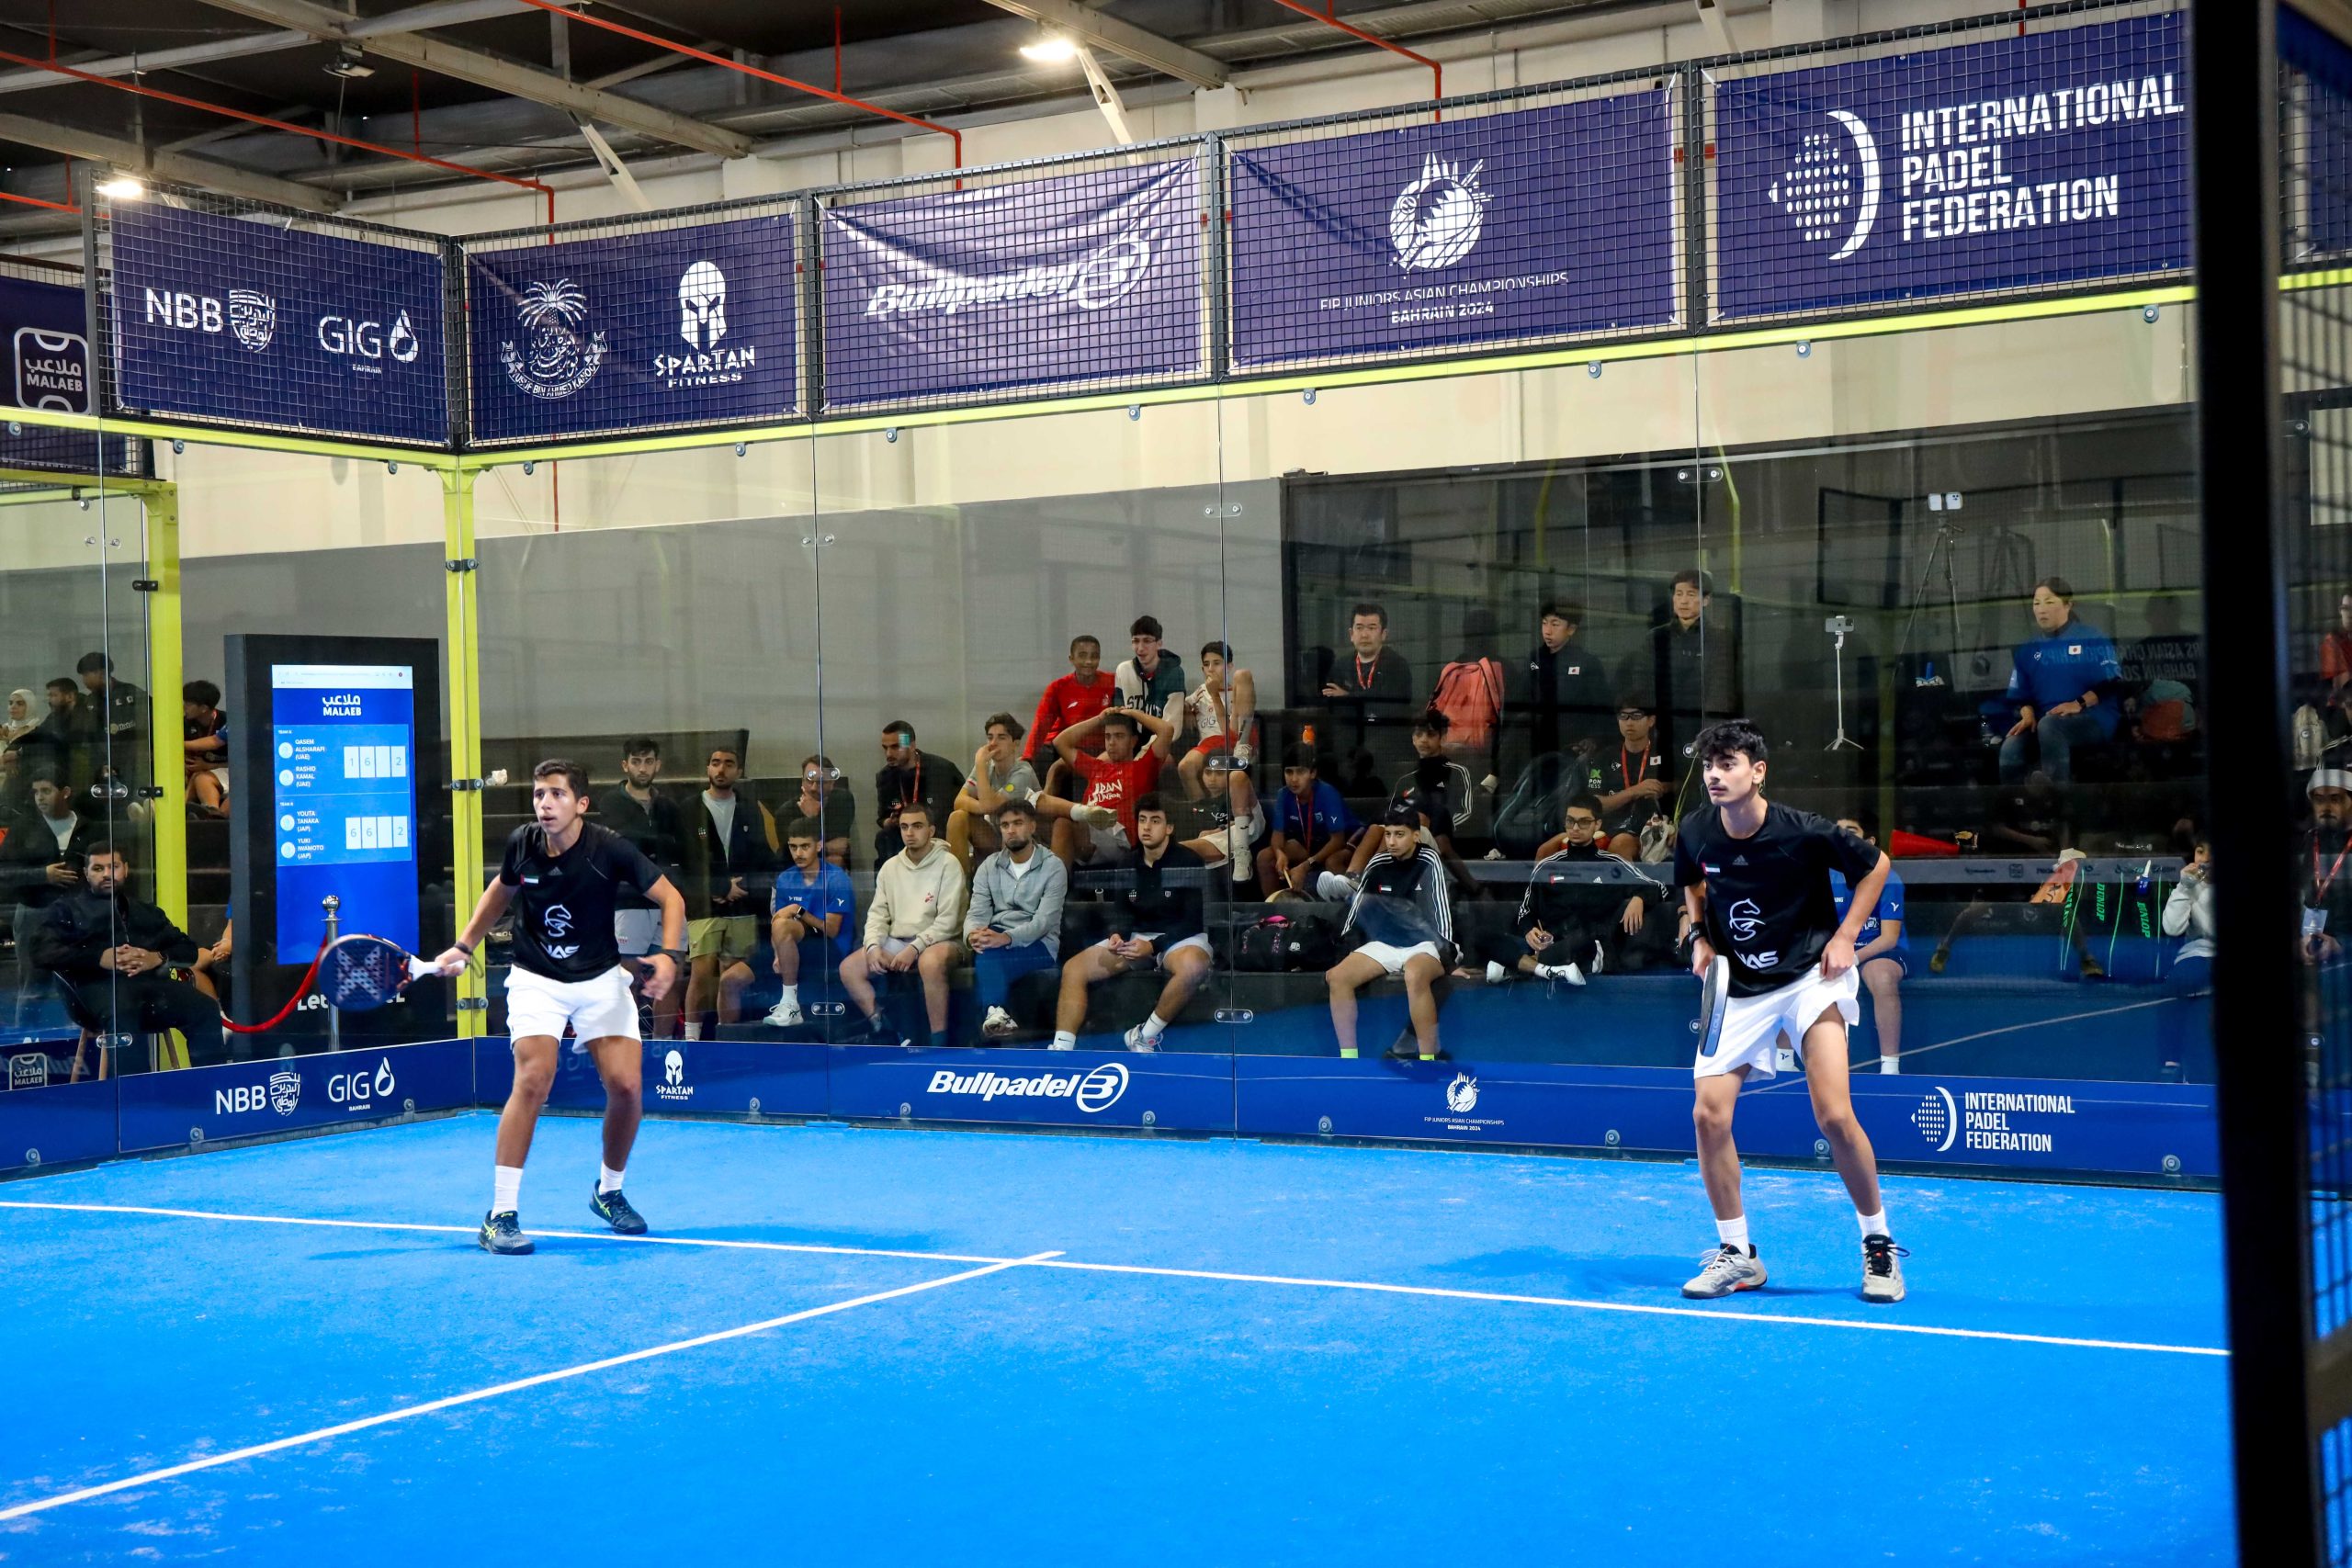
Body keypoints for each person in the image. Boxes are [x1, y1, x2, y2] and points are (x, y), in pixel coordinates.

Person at [1673, 719, 1905, 1305]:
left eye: (1728, 764)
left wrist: (1846, 935)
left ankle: (1877, 1243)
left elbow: (1876, 866)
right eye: (1709, 766)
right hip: (1738, 984)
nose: (1715, 776)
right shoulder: (1696, 829)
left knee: (1834, 1114)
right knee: (1708, 1116)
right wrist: (1699, 937)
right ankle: (1738, 1254)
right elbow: (1692, 884)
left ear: (1758, 771)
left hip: (1810, 978)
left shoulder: (1801, 830)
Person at [432, 759, 686, 1257]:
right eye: (538, 795)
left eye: (557, 794)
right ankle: (500, 1215)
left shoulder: (609, 848)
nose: (545, 804)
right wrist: (463, 947)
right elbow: (501, 891)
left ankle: (608, 1192)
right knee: (534, 1078)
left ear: (581, 803)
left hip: (600, 978)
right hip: (537, 978)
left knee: (627, 1086)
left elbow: (671, 899)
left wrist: (670, 956)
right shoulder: (523, 843)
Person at [33, 840, 222, 1072]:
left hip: (150, 992)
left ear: (126, 869)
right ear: (86, 873)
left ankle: (210, 1086)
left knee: (204, 1008)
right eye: (98, 868)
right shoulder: (67, 910)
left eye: (113, 867)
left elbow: (188, 950)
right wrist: (98, 958)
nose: (106, 874)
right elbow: (41, 953)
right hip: (93, 992)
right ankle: (133, 1092)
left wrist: (157, 957)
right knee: (123, 1010)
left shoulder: (146, 912)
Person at [1052, 794, 1211, 1053]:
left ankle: (1143, 1036)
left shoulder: (1188, 861)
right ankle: (1062, 1049)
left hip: (1180, 939)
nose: (1146, 827)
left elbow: (1192, 921)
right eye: (1142, 820)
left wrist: (1154, 946)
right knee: (1074, 968)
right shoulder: (1128, 862)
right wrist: (1116, 935)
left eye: (1155, 821)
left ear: (1169, 827)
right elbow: (1120, 913)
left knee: (1194, 967)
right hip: (1136, 939)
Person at [1464, 794, 1668, 987]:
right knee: (1481, 935)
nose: (1575, 828)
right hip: (1548, 942)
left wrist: (1639, 898)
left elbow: (1659, 886)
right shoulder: (1547, 866)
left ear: (1597, 824)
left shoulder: (1611, 865)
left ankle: (1520, 967)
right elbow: (1525, 911)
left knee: (1578, 940)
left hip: (1588, 945)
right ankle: (1541, 968)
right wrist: (1529, 931)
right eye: (1570, 821)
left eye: (1584, 822)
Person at [1326, 804, 1456, 1061]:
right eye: (1388, 834)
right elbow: (1358, 909)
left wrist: (1449, 958)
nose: (1392, 841)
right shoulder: (1378, 862)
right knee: (1337, 977)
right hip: (1385, 943)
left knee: (1414, 975)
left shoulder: (1430, 860)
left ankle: (1426, 1060)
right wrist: (1348, 947)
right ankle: (1348, 1060)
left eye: (1399, 834)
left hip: (1424, 944)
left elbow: (1441, 912)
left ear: (1416, 836)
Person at [838, 799, 967, 1049]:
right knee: (849, 968)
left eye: (917, 826)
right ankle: (885, 1027)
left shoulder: (948, 864)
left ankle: (939, 1041)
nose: (910, 833)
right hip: (899, 941)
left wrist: (915, 948)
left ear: (931, 830)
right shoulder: (890, 867)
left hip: (943, 941)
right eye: (904, 827)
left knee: (930, 962)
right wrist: (873, 946)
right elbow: (877, 914)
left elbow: (949, 922)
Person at [683, 745, 775, 1038]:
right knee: (700, 974)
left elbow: (760, 855)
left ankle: (727, 1038)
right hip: (704, 905)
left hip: (741, 904)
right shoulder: (690, 808)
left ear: (739, 771)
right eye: (715, 763)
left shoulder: (749, 808)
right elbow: (687, 859)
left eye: (728, 763)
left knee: (730, 976)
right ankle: (691, 1039)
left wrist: (738, 888)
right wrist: (719, 887)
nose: (721, 769)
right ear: (707, 768)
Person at [2000, 576, 2123, 784]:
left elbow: (2113, 682)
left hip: (2091, 717)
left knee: (2050, 726)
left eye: (2049, 602)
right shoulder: (2028, 649)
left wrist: (2078, 703)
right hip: (2043, 720)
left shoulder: (2091, 638)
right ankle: (2016, 803)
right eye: (2036, 603)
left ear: (2068, 605)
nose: (2041, 609)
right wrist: (2027, 714)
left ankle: (2056, 796)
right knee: (2010, 746)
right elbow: (2021, 695)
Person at [603, 738, 687, 1038]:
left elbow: (681, 848)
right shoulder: (610, 802)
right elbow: (622, 844)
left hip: (666, 901)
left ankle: (663, 1045)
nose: (642, 768)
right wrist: (657, 843)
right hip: (628, 899)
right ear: (625, 765)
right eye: (636, 762)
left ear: (657, 765)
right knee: (627, 976)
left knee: (672, 974)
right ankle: (629, 1042)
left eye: (648, 761)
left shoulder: (669, 806)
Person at [965, 797, 1069, 1040]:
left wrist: (1006, 938)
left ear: (1032, 826)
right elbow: (977, 911)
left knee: (988, 956)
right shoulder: (989, 866)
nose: (1011, 830)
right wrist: (973, 935)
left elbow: (1043, 922)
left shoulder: (1053, 867)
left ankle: (993, 1015)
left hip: (1039, 944)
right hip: (997, 938)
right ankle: (997, 1015)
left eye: (1018, 823)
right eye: (1005, 825)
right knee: (984, 949)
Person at [1177, 641, 1264, 877]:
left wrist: (1216, 695)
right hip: (1210, 747)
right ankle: (1207, 814)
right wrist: (1183, 711)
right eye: (1206, 664)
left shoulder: (1236, 687)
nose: (1211, 669)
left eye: (1217, 663)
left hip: (1235, 738)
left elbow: (1229, 731)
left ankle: (1242, 746)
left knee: (1244, 675)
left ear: (1228, 666)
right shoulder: (1198, 693)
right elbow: (1176, 711)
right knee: (1185, 766)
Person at [1832, 813, 1909, 1075]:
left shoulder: (1888, 877)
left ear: (1870, 841)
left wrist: (1852, 959)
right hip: (1837, 951)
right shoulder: (1824, 876)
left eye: (1851, 831)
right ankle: (1786, 1060)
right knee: (1796, 971)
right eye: (1838, 830)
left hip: (1880, 951)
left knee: (1882, 977)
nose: (1842, 836)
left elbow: (1888, 937)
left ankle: (1890, 1067)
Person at [764, 818, 856, 1030]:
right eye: (793, 847)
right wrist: (777, 954)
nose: (798, 853)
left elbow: (831, 930)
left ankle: (790, 1004)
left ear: (819, 845)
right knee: (733, 978)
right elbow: (778, 921)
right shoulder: (785, 878)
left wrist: (799, 911)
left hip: (830, 947)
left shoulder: (837, 878)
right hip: (794, 943)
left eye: (805, 846)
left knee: (785, 925)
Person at [1634, 570, 1737, 757]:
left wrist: (1710, 733)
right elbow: (1643, 682)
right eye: (1679, 594)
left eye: (1691, 594)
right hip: (1662, 725)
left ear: (1706, 600)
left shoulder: (1719, 638)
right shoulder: (1657, 637)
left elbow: (1720, 690)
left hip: (1703, 725)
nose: (1683, 601)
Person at [1512, 601, 1611, 794]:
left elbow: (1602, 708)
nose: (1547, 631)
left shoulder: (1586, 662)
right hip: (1535, 744)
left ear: (1571, 629)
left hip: (1570, 743)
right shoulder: (1534, 659)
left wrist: (1594, 738)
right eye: (1544, 623)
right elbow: (1520, 699)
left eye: (1555, 624)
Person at [1052, 706, 1170, 867]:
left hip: (1119, 838)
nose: (1112, 742)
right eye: (1108, 737)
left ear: (1133, 741)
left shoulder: (1143, 768)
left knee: (1061, 821)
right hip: (1089, 831)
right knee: (1043, 823)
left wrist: (1132, 713)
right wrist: (1099, 719)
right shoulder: (1096, 768)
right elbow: (1060, 742)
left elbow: (1166, 730)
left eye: (1119, 736)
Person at [3, 772, 86, 999]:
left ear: (65, 792)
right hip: (34, 912)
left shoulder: (86, 826)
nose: (39, 797)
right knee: (33, 985)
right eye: (36, 792)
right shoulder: (23, 828)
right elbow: (4, 873)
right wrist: (43, 875)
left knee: (78, 985)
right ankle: (28, 1024)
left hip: (79, 913)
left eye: (46, 791)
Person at [1256, 744, 1363, 897]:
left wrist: (1305, 866)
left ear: (1312, 773)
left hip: (1344, 843)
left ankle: (1354, 900)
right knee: (1265, 858)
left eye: (1300, 772)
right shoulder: (1283, 795)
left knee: (1332, 862)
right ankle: (1277, 907)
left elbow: (1337, 840)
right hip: (1309, 843)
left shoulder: (1327, 794)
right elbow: (1277, 835)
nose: (1293, 779)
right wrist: (1279, 853)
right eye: (1289, 772)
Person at [1319, 602, 1417, 768]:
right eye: (1359, 628)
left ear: (1384, 634)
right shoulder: (1341, 666)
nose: (1364, 634)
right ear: (1351, 634)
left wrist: (1348, 696)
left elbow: (1390, 708)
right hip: (1349, 734)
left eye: (1372, 628)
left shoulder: (1397, 665)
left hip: (1387, 738)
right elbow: (1335, 708)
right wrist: (1364, 700)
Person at [947, 713, 1042, 880]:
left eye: (1001, 737)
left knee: (1005, 831)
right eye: (990, 737)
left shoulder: (1023, 772)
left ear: (1015, 744)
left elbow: (991, 806)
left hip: (1023, 839)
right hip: (996, 834)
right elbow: (959, 801)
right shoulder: (986, 767)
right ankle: (959, 885)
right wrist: (981, 806)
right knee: (958, 818)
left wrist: (980, 766)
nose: (993, 743)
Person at [1580, 695, 1674, 862]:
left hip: (1655, 828)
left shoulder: (1665, 754)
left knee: (1620, 844)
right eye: (1623, 716)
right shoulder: (1604, 757)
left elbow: (1687, 786)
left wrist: (1666, 787)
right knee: (1548, 848)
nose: (1629, 722)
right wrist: (1635, 791)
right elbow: (1595, 806)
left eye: (1636, 716)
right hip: (1611, 830)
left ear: (1651, 720)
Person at [2161, 834, 2213, 1082]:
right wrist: (2184, 888)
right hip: (2197, 953)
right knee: (2178, 983)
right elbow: (2172, 928)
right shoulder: (2190, 885)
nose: (2205, 859)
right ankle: (2172, 1062)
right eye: (2200, 852)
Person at [873, 720, 962, 866]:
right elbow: (882, 817)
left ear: (912, 745)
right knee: (884, 836)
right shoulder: (885, 777)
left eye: (895, 747)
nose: (889, 754)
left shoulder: (942, 770)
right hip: (904, 834)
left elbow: (960, 807)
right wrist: (889, 821)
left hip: (938, 834)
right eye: (885, 748)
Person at [1113, 615, 1188, 722]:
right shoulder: (1123, 670)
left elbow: (1172, 727)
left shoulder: (1174, 674)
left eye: (1147, 641)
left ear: (1159, 644)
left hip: (1163, 733)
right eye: (1136, 641)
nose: (1140, 648)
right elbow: (1118, 719)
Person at [794, 755, 855, 870]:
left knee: (835, 860)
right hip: (797, 869)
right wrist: (812, 818)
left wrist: (810, 846)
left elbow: (841, 847)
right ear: (802, 781)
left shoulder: (843, 800)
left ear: (832, 784)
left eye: (820, 782)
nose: (813, 788)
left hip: (832, 866)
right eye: (809, 781)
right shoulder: (786, 811)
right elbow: (794, 854)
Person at [181, 680, 229, 816]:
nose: (184, 707)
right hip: (196, 774)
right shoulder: (184, 723)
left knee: (200, 777)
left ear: (203, 708)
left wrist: (208, 766)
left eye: (188, 704)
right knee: (197, 777)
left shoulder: (228, 720)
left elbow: (215, 741)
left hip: (223, 771)